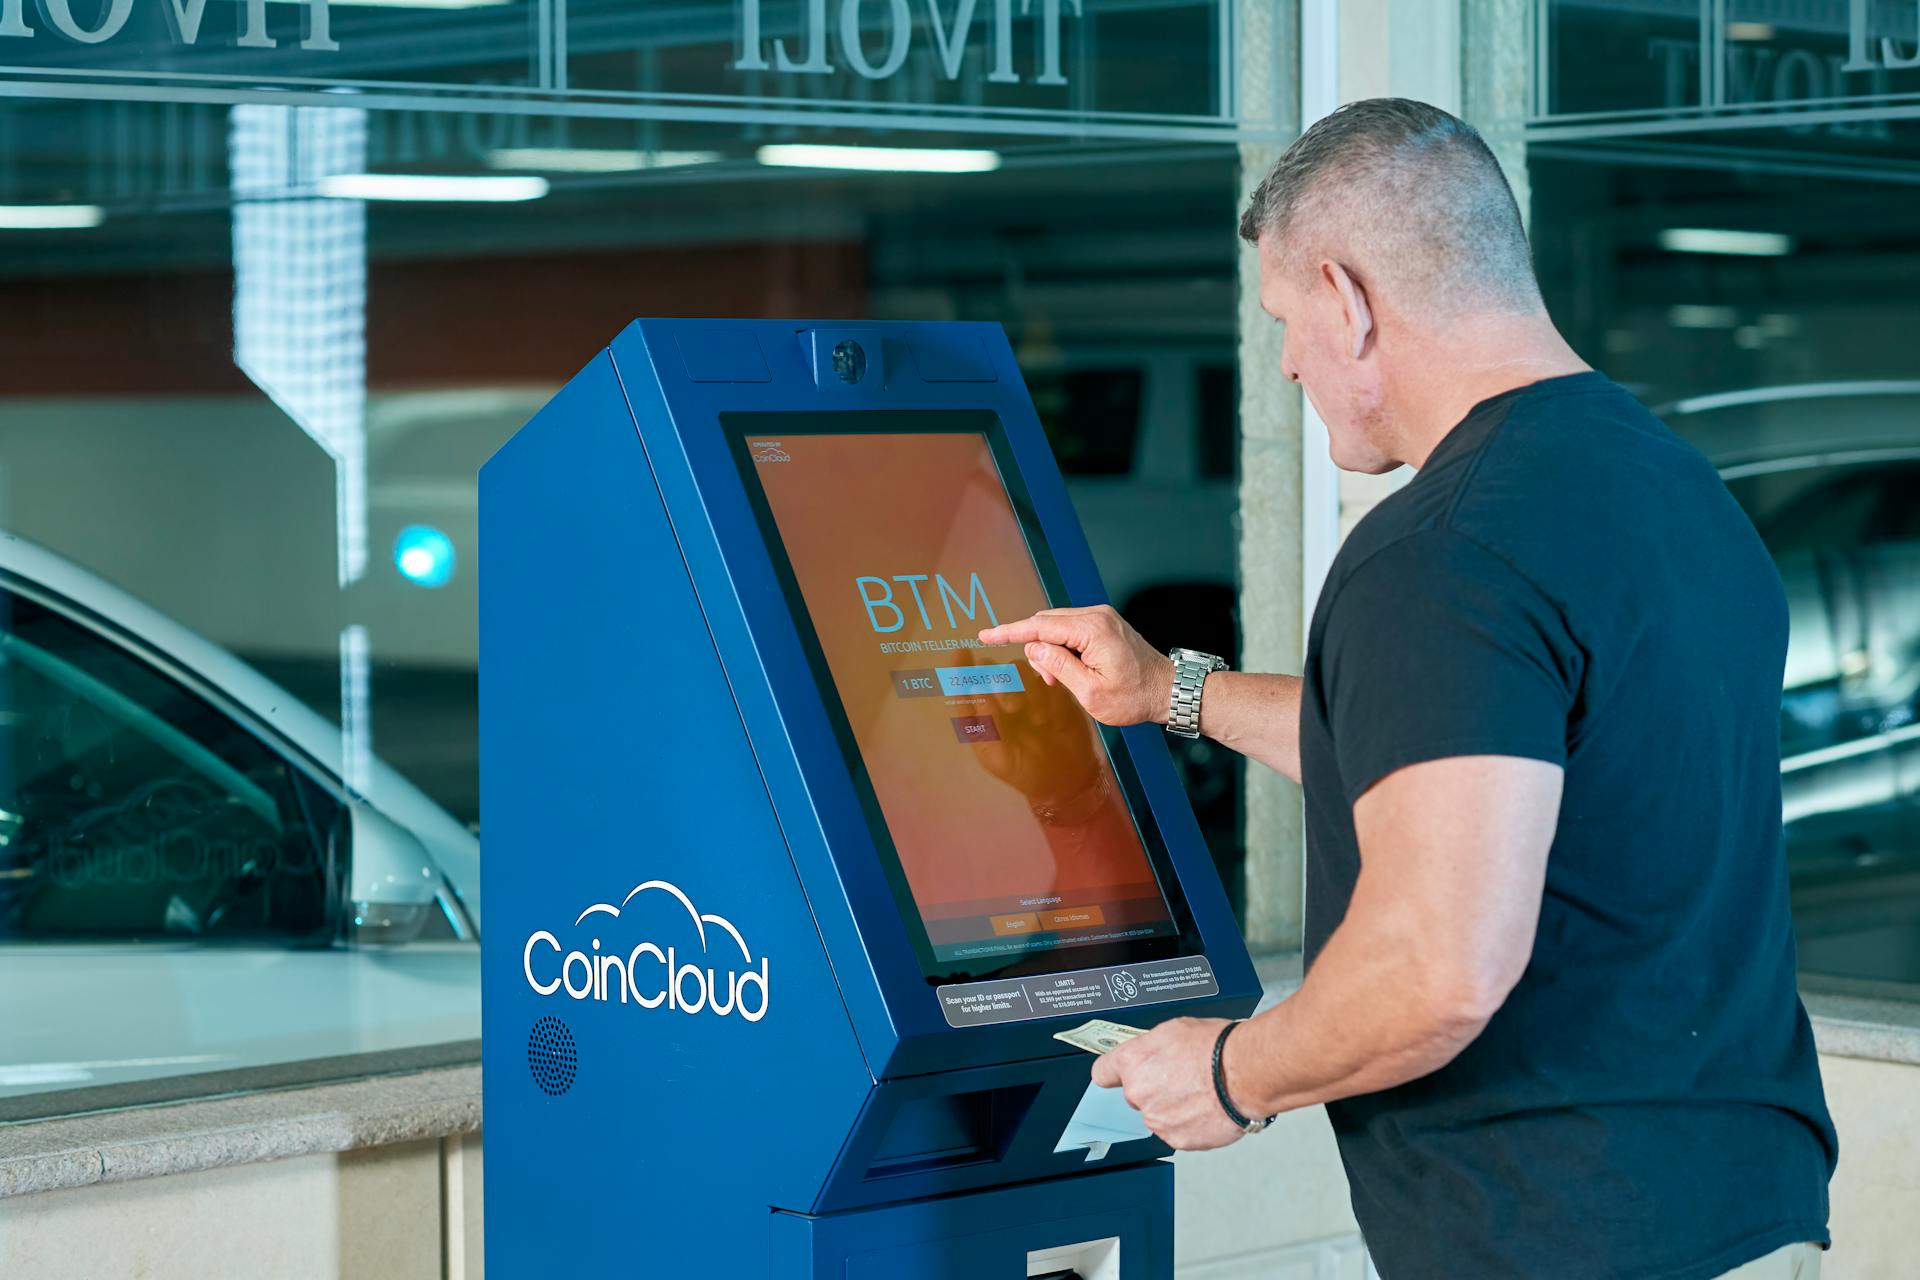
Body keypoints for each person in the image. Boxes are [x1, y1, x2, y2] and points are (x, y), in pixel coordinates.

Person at [978, 98, 1836, 1280]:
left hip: (1565, 1239)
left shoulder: (1443, 549)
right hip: (1741, 1208)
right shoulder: (1674, 492)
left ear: (1347, 295)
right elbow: (1474, 753)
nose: (1281, 359)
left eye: (1282, 317)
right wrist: (1173, 692)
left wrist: (1231, 1072)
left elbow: (1439, 965)